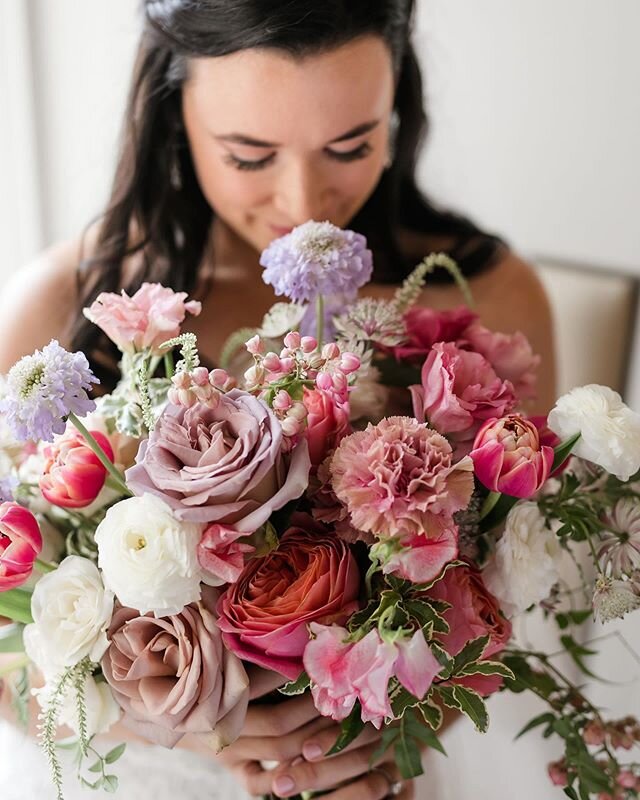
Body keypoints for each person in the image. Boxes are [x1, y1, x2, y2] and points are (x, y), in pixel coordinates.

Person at [0, 2, 556, 799]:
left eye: (351, 145)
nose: (305, 200)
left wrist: (397, 728)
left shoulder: (496, 297)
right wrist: (164, 715)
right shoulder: (59, 306)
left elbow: (537, 590)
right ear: (171, 114)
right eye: (249, 155)